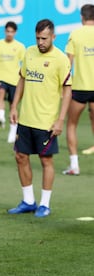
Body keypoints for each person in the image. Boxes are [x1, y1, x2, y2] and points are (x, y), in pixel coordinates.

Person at [8, 19, 71, 217]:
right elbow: (22, 79)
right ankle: (28, 201)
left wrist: (60, 119)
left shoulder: (61, 59)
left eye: (44, 38)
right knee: (20, 157)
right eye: (37, 38)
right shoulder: (29, 52)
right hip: (25, 119)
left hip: (46, 121)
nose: (40, 42)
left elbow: (67, 90)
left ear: (53, 37)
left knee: (46, 160)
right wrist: (14, 106)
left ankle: (44, 204)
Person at [63, 4, 94, 175]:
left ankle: (74, 165)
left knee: (71, 125)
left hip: (81, 87)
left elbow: (68, 63)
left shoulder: (75, 34)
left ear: (82, 16)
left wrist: (63, 87)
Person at [0, 21, 26, 143]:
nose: (9, 34)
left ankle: (13, 131)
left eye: (11, 32)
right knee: (0, 93)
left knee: (13, 106)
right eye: (7, 31)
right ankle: (1, 116)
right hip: (1, 78)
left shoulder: (20, 47)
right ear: (5, 31)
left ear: (15, 32)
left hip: (14, 80)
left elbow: (24, 63)